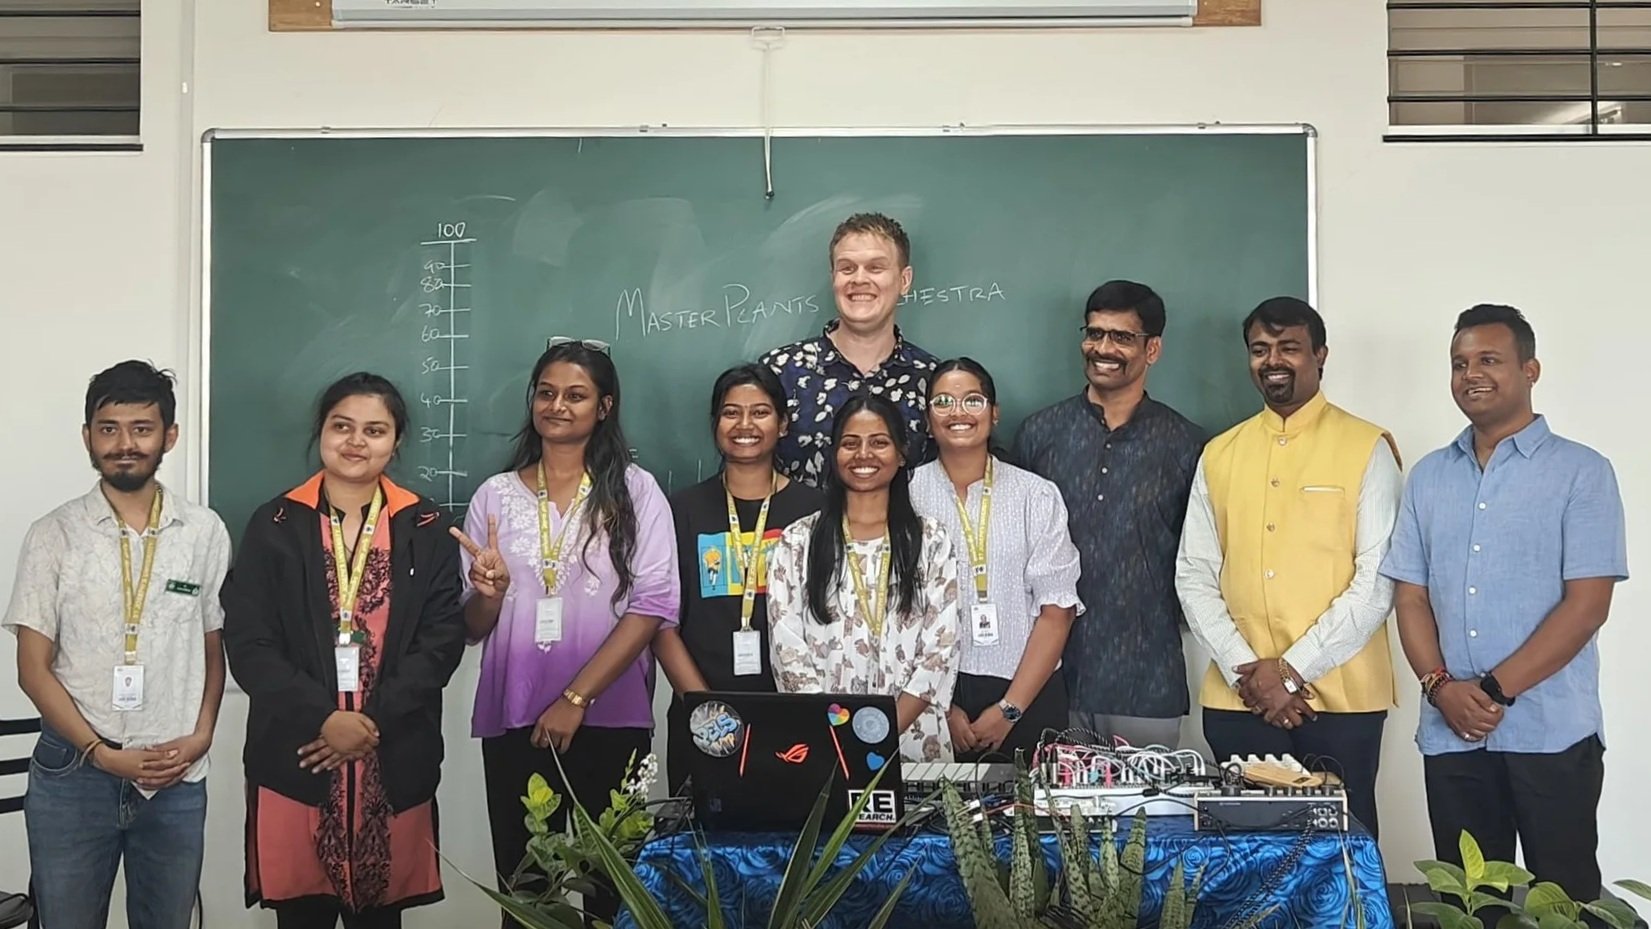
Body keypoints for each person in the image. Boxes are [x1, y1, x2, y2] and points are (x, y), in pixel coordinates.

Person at [1380, 305, 1627, 902]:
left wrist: (1490, 693)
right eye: (1459, 363)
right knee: (1469, 903)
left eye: (1488, 360)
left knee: (1564, 905)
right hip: (1452, 734)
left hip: (1552, 736)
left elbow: (1587, 606)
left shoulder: (1582, 472)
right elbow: (1410, 596)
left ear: (1530, 368)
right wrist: (1442, 688)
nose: (1471, 375)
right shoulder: (1430, 477)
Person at [221, 372, 466, 929]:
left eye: (375, 430)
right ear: (321, 431)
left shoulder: (424, 525)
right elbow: (250, 640)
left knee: (381, 920)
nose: (357, 442)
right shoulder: (276, 523)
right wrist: (325, 720)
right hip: (297, 754)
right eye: (342, 427)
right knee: (300, 917)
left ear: (396, 441)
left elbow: (441, 638)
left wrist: (368, 723)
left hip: (394, 749)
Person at [456, 338, 679, 927]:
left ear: (604, 407)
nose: (558, 405)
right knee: (528, 893)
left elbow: (652, 606)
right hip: (517, 718)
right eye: (547, 393)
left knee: (613, 893)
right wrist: (490, 593)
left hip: (611, 716)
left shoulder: (636, 491)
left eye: (576, 395)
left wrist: (576, 698)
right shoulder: (494, 496)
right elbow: (473, 628)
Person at [6, 361, 230, 929]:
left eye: (141, 428)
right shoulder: (52, 534)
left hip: (174, 773)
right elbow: (32, 669)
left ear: (169, 436)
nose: (125, 444)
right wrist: (101, 753)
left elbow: (210, 642)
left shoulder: (203, 532)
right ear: (87, 437)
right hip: (75, 774)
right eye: (108, 428)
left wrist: (202, 734)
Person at [1176, 297, 1402, 839]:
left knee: (1341, 849)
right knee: (1244, 853)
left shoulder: (1367, 447)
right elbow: (1194, 572)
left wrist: (1291, 672)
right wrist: (1248, 671)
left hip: (1342, 697)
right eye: (1260, 349)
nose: (1273, 360)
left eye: (1289, 347)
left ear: (1320, 356)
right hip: (1239, 694)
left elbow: (1377, 580)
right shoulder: (1220, 453)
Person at [1012, 281, 1205, 749]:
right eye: (1095, 333)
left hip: (1144, 679)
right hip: (1048, 678)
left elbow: (1200, 561)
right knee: (1053, 820)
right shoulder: (1041, 434)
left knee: (1143, 821)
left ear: (1152, 349)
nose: (1103, 348)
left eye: (1121, 337)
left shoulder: (1186, 445)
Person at [654, 363, 823, 791]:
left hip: (795, 715)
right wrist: (705, 707)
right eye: (731, 413)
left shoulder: (817, 510)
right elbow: (660, 620)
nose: (744, 425)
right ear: (715, 424)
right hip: (702, 712)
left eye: (760, 412)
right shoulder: (679, 510)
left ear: (783, 424)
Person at [766, 393, 961, 763]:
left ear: (902, 454)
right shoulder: (797, 542)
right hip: (825, 745)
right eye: (850, 443)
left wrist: (882, 734)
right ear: (834, 454)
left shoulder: (931, 541)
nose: (863, 455)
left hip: (913, 741)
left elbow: (941, 647)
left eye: (879, 443)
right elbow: (787, 650)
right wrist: (841, 739)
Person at [912, 358, 1082, 762]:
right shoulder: (905, 494)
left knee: (1030, 822)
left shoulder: (1035, 495)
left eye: (973, 400)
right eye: (943, 401)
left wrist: (1010, 709)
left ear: (994, 412)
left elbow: (1057, 610)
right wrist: (939, 706)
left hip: (1028, 691)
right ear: (927, 415)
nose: (958, 413)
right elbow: (895, 615)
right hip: (930, 696)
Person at [759, 212, 940, 486]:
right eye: (847, 268)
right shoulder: (780, 372)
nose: (859, 279)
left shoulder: (933, 381)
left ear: (904, 280)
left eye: (875, 268)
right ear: (833, 277)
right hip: (797, 529)